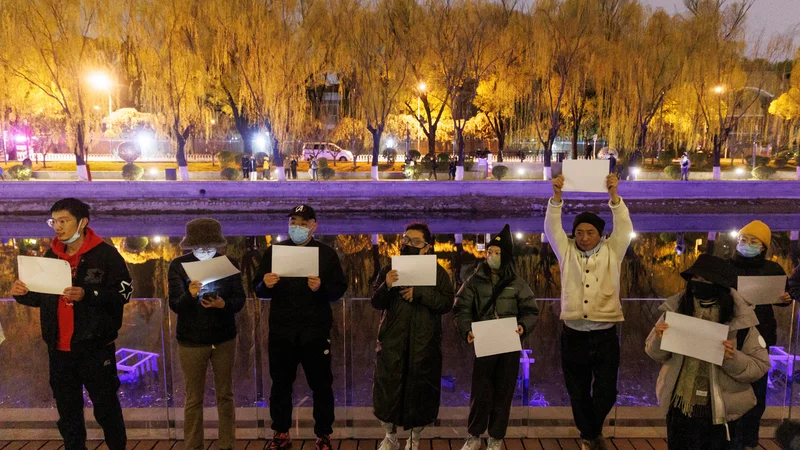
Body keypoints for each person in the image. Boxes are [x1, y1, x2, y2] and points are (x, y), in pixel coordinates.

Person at [11, 198, 133, 450]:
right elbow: (41, 298)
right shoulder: (49, 255)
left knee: (106, 409)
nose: (57, 226)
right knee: (68, 414)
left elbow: (124, 294)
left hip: (95, 348)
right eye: (54, 221)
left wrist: (88, 295)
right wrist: (21, 292)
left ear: (82, 222)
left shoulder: (106, 255)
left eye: (64, 221)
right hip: (59, 350)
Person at [645, 254, 771, 450]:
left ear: (719, 285)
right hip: (680, 407)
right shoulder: (676, 310)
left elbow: (760, 365)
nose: (697, 284)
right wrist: (659, 340)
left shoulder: (741, 321)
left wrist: (732, 357)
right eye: (694, 279)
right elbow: (654, 353)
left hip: (722, 412)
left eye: (704, 280)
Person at [544, 173, 633, 450]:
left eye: (590, 232)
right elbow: (551, 228)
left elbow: (624, 226)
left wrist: (614, 198)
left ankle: (591, 431)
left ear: (600, 234)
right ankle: (590, 436)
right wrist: (557, 198)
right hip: (573, 334)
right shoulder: (566, 252)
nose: (584, 237)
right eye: (579, 232)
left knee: (606, 392)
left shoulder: (612, 250)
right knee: (578, 389)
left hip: (605, 333)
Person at [253, 205, 348, 450]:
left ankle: (324, 434)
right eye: (293, 222)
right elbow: (257, 288)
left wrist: (322, 288)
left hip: (315, 332)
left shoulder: (326, 254)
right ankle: (281, 432)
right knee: (280, 385)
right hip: (282, 331)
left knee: (322, 385)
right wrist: (266, 284)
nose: (297, 227)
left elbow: (339, 289)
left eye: (303, 223)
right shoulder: (275, 251)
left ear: (314, 225)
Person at [454, 224, 539, 450]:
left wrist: (523, 327)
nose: (492, 256)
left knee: (504, 391)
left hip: (509, 343)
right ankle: (474, 435)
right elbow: (461, 308)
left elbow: (530, 310)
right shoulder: (474, 281)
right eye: (490, 252)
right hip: (484, 341)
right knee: (480, 392)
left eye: (497, 253)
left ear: (506, 256)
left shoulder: (517, 283)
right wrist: (466, 330)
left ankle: (496, 437)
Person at [371, 222, 454, 450]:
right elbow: (375, 302)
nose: (409, 244)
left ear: (427, 247)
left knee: (421, 391)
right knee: (388, 389)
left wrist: (420, 293)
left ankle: (414, 438)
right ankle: (390, 436)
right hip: (393, 342)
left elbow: (447, 303)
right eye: (406, 240)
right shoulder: (389, 267)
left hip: (424, 343)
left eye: (416, 241)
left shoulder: (438, 272)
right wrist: (386, 285)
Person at [168, 218, 246, 450]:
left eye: (210, 246)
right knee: (193, 398)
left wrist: (224, 304)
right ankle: (193, 445)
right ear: (190, 245)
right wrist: (190, 294)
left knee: (226, 394)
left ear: (218, 244)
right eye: (199, 246)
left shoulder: (228, 263)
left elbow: (239, 299)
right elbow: (175, 305)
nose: (204, 250)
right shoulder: (178, 265)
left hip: (224, 338)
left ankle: (227, 444)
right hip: (191, 341)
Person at [727, 221, 792, 450]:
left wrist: (785, 299)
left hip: (761, 335)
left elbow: (783, 298)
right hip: (731, 335)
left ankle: (749, 441)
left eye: (753, 241)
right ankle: (729, 438)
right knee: (730, 390)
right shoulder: (725, 267)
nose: (747, 244)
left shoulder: (773, 270)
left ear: (763, 246)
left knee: (757, 393)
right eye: (743, 239)